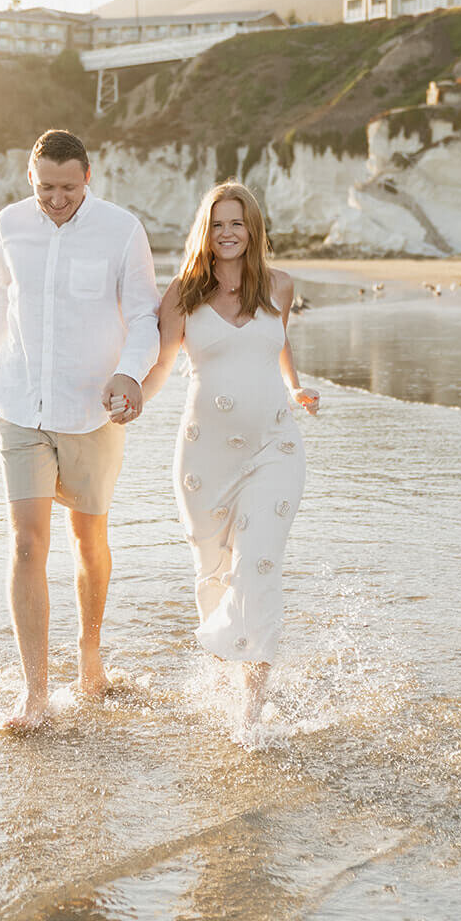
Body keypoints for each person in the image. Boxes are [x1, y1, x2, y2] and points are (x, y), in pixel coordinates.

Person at [0, 128, 159, 731]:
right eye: (46, 187)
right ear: (31, 177)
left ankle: (91, 656)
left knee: (88, 542)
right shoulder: (10, 224)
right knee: (27, 542)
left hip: (91, 409)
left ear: (88, 177)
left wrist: (130, 376)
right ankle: (35, 693)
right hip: (20, 402)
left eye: (68, 188)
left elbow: (143, 316)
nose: (57, 199)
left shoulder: (122, 230)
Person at [140, 181, 320, 731]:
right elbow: (164, 367)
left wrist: (295, 388)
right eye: (217, 223)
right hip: (204, 458)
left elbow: (278, 341)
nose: (227, 233)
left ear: (253, 229)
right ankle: (223, 677)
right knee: (214, 572)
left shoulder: (280, 287)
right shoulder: (181, 296)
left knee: (258, 563)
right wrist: (129, 399)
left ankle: (252, 707)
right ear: (206, 230)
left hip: (275, 446)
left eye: (237, 223)